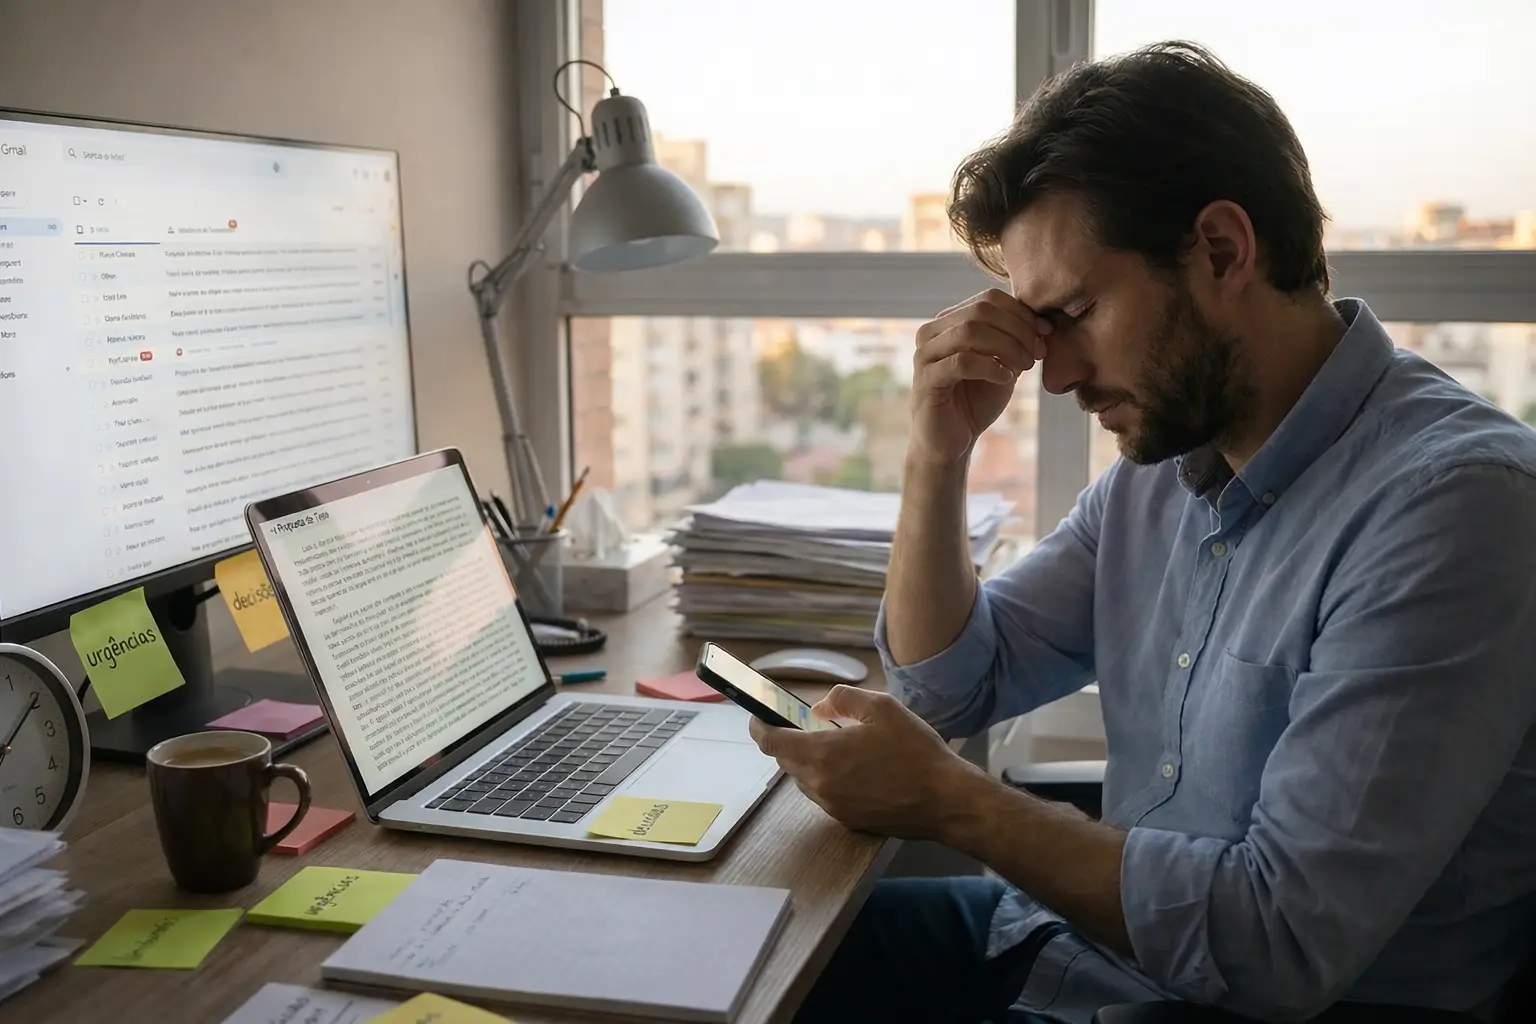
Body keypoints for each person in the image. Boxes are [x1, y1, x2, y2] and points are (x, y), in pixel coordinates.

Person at [748, 41, 1536, 1024]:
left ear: (1219, 250)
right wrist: (933, 455)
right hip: (1068, 946)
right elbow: (949, 683)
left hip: (1243, 1004)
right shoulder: (1166, 472)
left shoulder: (1456, 505)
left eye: (1073, 313)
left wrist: (954, 803)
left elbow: (1279, 940)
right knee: (721, 957)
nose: (1060, 376)